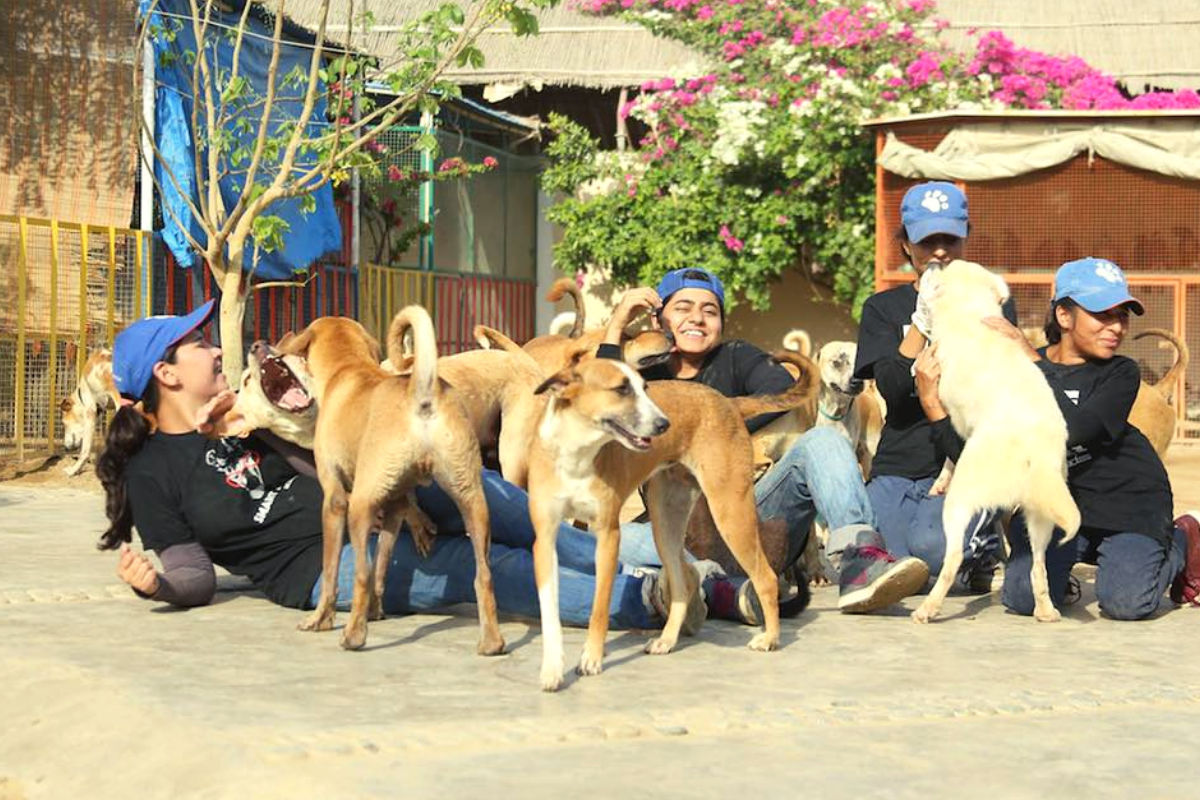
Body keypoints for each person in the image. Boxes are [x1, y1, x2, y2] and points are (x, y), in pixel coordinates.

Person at [100, 300, 701, 633]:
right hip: (320, 564)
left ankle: (692, 570)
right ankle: (646, 600)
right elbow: (192, 573)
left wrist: (273, 418)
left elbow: (331, 459)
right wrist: (159, 585)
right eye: (199, 344)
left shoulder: (250, 410)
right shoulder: (151, 472)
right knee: (488, 564)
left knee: (528, 517)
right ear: (167, 374)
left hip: (387, 486)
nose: (213, 349)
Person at [597, 267, 929, 616]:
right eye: (682, 308)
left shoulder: (737, 356)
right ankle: (722, 589)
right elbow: (599, 408)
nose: (696, 318)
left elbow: (784, 392)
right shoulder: (640, 376)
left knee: (822, 440)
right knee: (605, 543)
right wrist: (617, 326)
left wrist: (706, 422)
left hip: (757, 521)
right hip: (679, 533)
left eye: (709, 311)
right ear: (658, 318)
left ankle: (861, 561)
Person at [975, 257, 1199, 619]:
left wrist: (1031, 362)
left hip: (1128, 505)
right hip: (1059, 507)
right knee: (1022, 598)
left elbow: (1078, 430)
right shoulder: (1020, 367)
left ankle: (1183, 538)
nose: (1117, 327)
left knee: (1126, 605)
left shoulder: (1120, 373)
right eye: (1102, 314)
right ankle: (1065, 569)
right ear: (1064, 316)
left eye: (1122, 315)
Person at [853, 181, 1016, 591]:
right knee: (886, 563)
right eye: (927, 240)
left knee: (928, 553)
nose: (939, 251)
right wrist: (922, 322)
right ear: (906, 245)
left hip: (962, 455)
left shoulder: (990, 300)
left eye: (949, 239)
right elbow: (892, 387)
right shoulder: (882, 308)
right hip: (899, 462)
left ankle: (982, 546)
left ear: (965, 239)